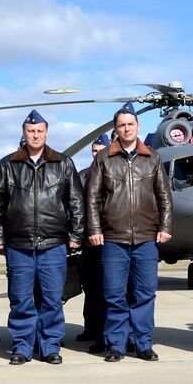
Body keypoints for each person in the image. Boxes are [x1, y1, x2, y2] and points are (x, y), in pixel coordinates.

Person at [0, 110, 85, 364]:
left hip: (53, 243)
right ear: (24, 133)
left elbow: (76, 201)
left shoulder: (63, 163)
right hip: (18, 244)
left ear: (46, 133)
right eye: (31, 131)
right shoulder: (8, 164)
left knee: (52, 298)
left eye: (39, 131)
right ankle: (22, 346)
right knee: (20, 299)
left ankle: (50, 346)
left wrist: (76, 234)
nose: (35, 135)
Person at [85, 102, 174, 362]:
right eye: (122, 125)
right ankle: (116, 344)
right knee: (114, 294)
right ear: (116, 129)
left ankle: (143, 342)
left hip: (146, 238)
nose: (126, 128)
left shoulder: (152, 158)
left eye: (130, 124)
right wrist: (94, 229)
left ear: (137, 126)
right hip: (114, 238)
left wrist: (165, 226)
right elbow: (93, 197)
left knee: (144, 294)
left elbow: (164, 196)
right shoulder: (104, 159)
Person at [77, 132, 112, 351]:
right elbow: (77, 209)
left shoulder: (115, 172)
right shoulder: (82, 176)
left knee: (108, 290)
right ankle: (91, 327)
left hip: (111, 241)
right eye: (94, 151)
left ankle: (105, 333)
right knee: (90, 289)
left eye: (101, 151)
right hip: (89, 243)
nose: (97, 154)